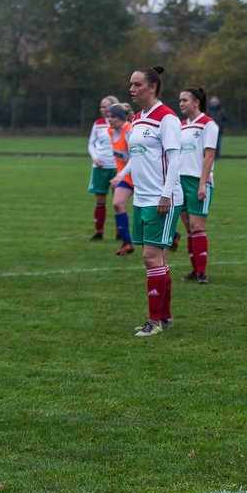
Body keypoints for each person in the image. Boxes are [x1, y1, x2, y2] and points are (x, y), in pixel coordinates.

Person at [121, 66, 183, 337]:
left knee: (150, 257)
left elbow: (174, 158)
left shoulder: (166, 118)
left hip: (162, 198)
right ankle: (165, 317)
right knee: (156, 259)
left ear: (152, 87)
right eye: (131, 84)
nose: (131, 89)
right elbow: (136, 158)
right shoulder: (137, 118)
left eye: (137, 85)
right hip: (142, 198)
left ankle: (154, 321)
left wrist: (166, 194)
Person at [177, 86, 218, 284]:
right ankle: (194, 270)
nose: (181, 104)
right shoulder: (181, 125)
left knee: (197, 225)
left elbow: (209, 155)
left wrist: (203, 183)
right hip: (180, 180)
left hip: (197, 180)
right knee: (187, 226)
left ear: (196, 102)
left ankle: (202, 273)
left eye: (185, 100)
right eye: (180, 100)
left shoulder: (208, 124)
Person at [86, 95, 120, 241]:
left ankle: (120, 233)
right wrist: (96, 158)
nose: (102, 109)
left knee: (118, 202)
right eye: (101, 106)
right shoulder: (98, 123)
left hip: (117, 168)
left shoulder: (121, 123)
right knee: (100, 201)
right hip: (100, 167)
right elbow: (91, 143)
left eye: (105, 106)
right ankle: (99, 232)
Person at [107, 103, 135, 256]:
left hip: (140, 175)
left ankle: (173, 234)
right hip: (125, 176)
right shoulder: (110, 131)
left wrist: (119, 176)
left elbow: (135, 158)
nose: (110, 120)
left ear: (122, 118)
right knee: (118, 204)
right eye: (109, 117)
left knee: (146, 213)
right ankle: (127, 243)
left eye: (113, 117)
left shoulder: (129, 130)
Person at [207, 94, 227, 160]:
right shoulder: (208, 110)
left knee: (218, 144)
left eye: (215, 102)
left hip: (219, 130)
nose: (214, 103)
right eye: (213, 102)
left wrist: (222, 126)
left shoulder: (222, 110)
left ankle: (217, 157)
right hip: (209, 130)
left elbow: (225, 119)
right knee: (209, 144)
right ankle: (209, 156)